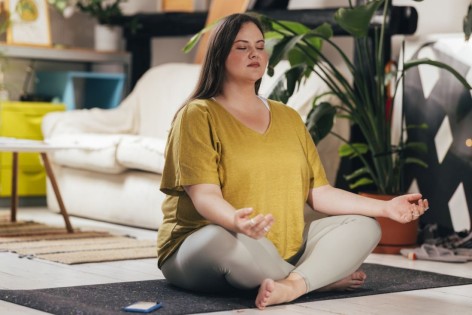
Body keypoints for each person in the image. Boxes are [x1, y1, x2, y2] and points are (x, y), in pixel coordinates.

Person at [157, 13, 429, 310]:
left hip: (282, 247)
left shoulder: (288, 116)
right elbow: (205, 196)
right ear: (219, 54)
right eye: (241, 47)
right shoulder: (198, 114)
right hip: (206, 242)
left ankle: (292, 284)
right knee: (223, 239)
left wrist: (386, 208)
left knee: (366, 227)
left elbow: (320, 193)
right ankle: (317, 279)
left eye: (260, 46)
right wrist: (236, 221)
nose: (254, 54)